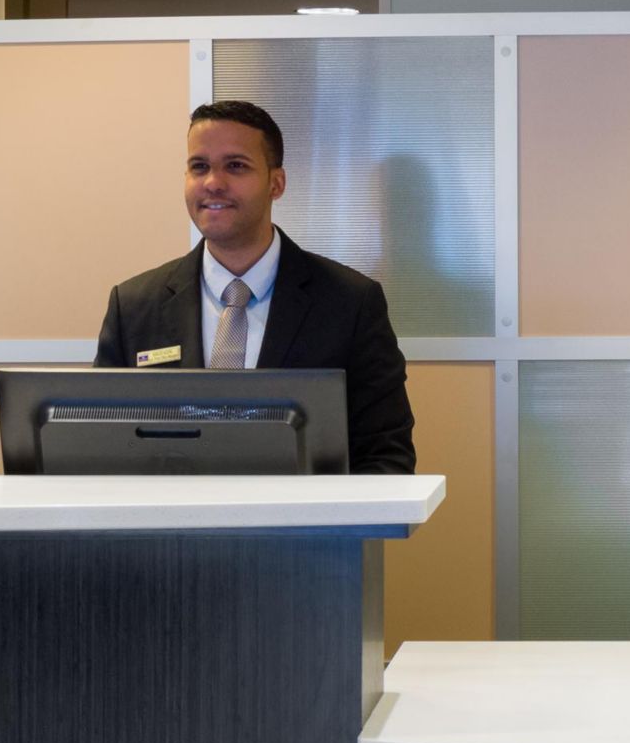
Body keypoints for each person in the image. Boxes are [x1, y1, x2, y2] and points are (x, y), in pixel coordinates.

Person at [92, 100, 415, 475]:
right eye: (199, 166)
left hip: (304, 515)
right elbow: (100, 448)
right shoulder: (134, 306)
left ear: (276, 183)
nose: (213, 183)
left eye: (235, 166)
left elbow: (386, 457)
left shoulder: (350, 303)